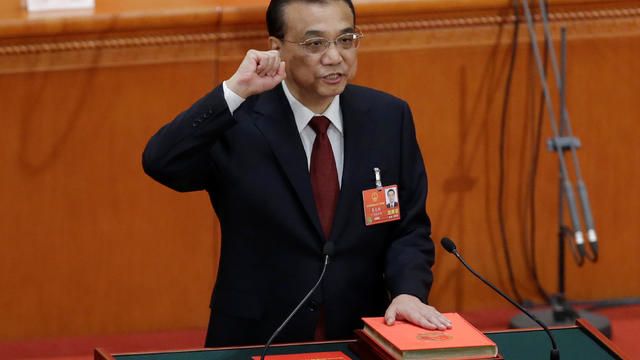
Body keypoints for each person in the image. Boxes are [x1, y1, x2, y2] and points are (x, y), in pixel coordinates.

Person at [142, 0, 451, 348]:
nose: (335, 57)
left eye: (346, 39)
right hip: (257, 338)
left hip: (361, 333)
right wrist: (233, 91)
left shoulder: (388, 117)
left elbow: (408, 227)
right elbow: (160, 162)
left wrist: (409, 292)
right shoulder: (238, 121)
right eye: (315, 43)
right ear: (276, 49)